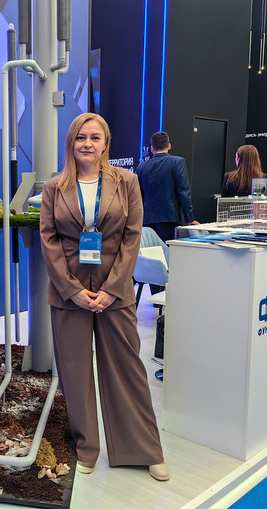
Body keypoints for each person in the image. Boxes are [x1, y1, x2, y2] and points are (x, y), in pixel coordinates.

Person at [39, 113, 169, 482]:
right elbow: (49, 241)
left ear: (105, 144)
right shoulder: (54, 187)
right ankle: (87, 447)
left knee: (128, 369)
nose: (87, 144)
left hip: (117, 294)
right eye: (81, 137)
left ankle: (143, 449)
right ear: (71, 142)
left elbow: (132, 237)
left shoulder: (127, 182)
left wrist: (111, 289)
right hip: (69, 296)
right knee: (75, 372)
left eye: (95, 137)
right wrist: (73, 290)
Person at [136, 131, 199, 243]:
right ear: (169, 146)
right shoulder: (177, 162)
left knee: (151, 250)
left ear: (152, 148)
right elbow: (183, 191)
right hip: (170, 217)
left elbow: (138, 196)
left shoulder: (141, 168)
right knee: (169, 250)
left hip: (147, 219)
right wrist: (190, 218)